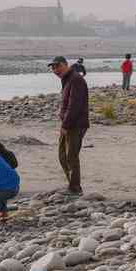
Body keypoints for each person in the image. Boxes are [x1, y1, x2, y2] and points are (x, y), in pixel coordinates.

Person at [48, 56, 90, 196]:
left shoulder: (76, 79)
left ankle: (75, 188)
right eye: (53, 67)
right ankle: (72, 185)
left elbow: (74, 106)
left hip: (75, 124)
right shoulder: (67, 79)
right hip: (69, 123)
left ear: (66, 65)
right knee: (62, 155)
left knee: (70, 155)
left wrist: (65, 125)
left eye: (57, 66)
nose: (55, 70)